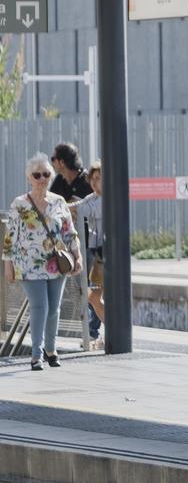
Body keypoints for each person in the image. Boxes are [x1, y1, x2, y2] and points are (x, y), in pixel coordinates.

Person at [3, 153, 82, 371]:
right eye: (37, 175)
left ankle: (51, 349)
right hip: (29, 264)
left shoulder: (59, 202)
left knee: (54, 308)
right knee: (40, 306)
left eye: (46, 174)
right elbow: (10, 237)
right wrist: (7, 265)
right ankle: (36, 354)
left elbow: (69, 232)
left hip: (57, 262)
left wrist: (78, 255)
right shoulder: (20, 204)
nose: (41, 179)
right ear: (29, 178)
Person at [76, 159, 106, 348]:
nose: (93, 183)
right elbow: (80, 206)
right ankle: (108, 333)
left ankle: (110, 333)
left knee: (94, 296)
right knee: (93, 296)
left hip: (106, 254)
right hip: (97, 254)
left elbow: (84, 210)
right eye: (92, 179)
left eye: (98, 178)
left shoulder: (107, 200)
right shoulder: (92, 197)